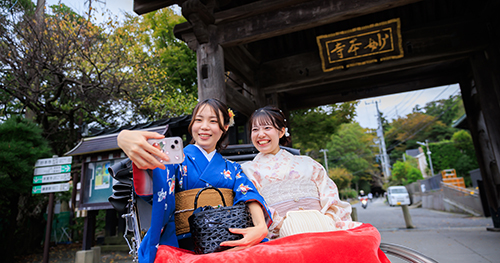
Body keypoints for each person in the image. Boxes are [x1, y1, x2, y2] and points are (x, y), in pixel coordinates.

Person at [117, 99, 272, 263]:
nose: (204, 126)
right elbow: (156, 182)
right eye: (199, 120)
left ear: (225, 127)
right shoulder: (174, 161)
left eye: (213, 121)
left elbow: (247, 193)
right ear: (192, 125)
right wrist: (123, 137)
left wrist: (260, 227)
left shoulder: (233, 168)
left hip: (227, 240)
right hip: (183, 244)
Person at [241, 106, 362, 239]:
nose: (261, 134)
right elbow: (253, 203)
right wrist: (284, 225)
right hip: (280, 232)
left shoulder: (307, 163)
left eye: (267, 128)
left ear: (281, 132)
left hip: (323, 225)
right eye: (255, 129)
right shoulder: (247, 171)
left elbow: (329, 194)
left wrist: (326, 220)